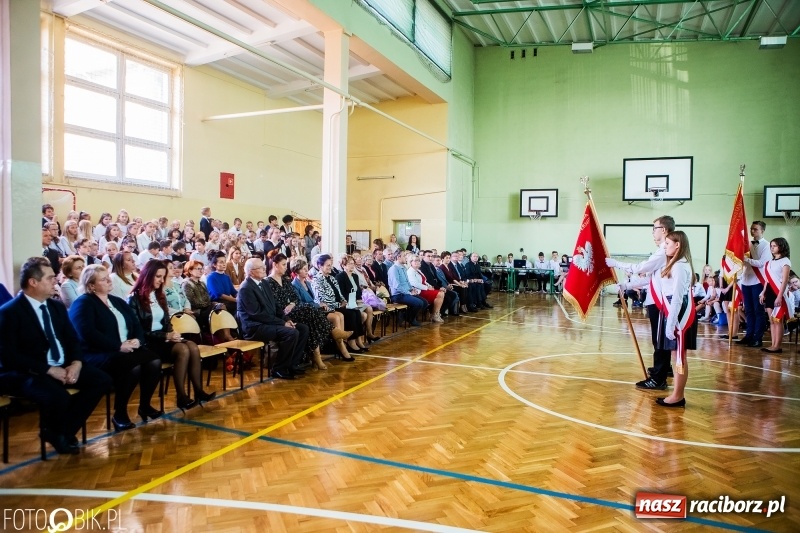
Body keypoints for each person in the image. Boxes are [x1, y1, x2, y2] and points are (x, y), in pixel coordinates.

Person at [0, 257, 112, 454]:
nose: (56, 281)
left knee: (101, 380)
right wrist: (49, 370)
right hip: (29, 372)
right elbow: (9, 357)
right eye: (51, 278)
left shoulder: (56, 306)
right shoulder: (9, 312)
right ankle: (61, 434)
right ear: (33, 282)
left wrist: (76, 363)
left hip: (63, 364)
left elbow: (72, 340)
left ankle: (59, 431)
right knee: (59, 396)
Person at [69, 265, 163, 430]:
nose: (108, 281)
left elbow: (135, 324)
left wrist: (138, 340)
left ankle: (145, 405)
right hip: (99, 352)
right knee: (132, 367)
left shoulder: (117, 301)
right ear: (91, 285)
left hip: (125, 349)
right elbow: (87, 333)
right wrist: (118, 346)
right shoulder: (83, 303)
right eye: (103, 279)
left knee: (154, 361)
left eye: (108, 277)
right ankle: (120, 413)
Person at [127, 261, 215, 411]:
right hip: (148, 342)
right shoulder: (134, 299)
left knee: (193, 347)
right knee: (183, 349)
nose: (162, 280)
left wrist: (172, 332)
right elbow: (138, 330)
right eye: (158, 276)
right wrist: (165, 335)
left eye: (163, 276)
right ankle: (181, 396)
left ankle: (199, 391)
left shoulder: (158, 295)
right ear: (147, 276)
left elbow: (167, 320)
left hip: (164, 337)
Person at [606, 215, 676, 390]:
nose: (653, 232)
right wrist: (626, 284)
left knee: (659, 340)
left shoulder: (663, 251)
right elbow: (650, 279)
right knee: (658, 340)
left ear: (664, 230)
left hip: (660, 303)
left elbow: (641, 268)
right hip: (655, 300)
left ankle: (658, 379)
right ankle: (664, 369)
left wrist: (616, 263)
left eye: (655, 228)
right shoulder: (663, 250)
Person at [237, 258, 309, 379]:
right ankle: (278, 369)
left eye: (263, 266)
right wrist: (282, 323)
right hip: (255, 327)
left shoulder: (264, 283)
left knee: (303, 329)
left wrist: (286, 319)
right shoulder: (246, 288)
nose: (264, 268)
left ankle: (292, 364)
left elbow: (275, 305)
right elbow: (257, 314)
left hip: (268, 322)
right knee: (291, 333)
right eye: (260, 268)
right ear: (251, 272)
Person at [650, 231, 696, 408]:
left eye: (667, 243)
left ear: (678, 245)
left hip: (678, 313)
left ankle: (678, 395)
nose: (664, 246)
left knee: (679, 356)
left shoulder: (679, 266)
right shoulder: (675, 263)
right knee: (676, 354)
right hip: (672, 310)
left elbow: (677, 297)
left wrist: (670, 323)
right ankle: (677, 393)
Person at [267, 252, 335, 370]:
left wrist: (292, 304)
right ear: (275, 265)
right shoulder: (268, 282)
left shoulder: (285, 280)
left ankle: (296, 362)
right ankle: (332, 331)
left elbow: (295, 298)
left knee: (309, 325)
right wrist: (287, 307)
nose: (285, 267)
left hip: (293, 310)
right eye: (283, 264)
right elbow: (273, 302)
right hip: (281, 314)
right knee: (309, 308)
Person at [290, 258, 354, 361]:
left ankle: (341, 343)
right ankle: (341, 345)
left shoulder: (308, 283)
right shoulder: (294, 285)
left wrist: (320, 304)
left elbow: (315, 299)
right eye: (304, 269)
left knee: (340, 315)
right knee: (336, 317)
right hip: (307, 313)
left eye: (307, 268)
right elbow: (299, 304)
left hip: (316, 309)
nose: (307, 271)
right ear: (297, 271)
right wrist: (318, 305)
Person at [312, 255, 368, 352]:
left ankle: (357, 340)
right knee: (351, 314)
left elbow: (340, 294)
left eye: (331, 265)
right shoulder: (317, 280)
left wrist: (344, 301)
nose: (330, 267)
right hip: (329, 308)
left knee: (357, 313)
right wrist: (339, 305)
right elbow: (322, 299)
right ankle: (350, 342)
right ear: (320, 266)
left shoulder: (332, 278)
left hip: (339, 305)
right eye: (327, 265)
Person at [751, 238, 791, 353]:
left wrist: (779, 296)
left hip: (779, 292)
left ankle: (777, 346)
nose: (772, 248)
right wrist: (763, 292)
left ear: (782, 247)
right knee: (772, 320)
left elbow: (784, 280)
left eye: (775, 246)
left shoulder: (785, 261)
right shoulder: (770, 262)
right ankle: (773, 344)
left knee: (778, 320)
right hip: (769, 291)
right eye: (771, 246)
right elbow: (767, 280)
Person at [738, 221, 771, 347]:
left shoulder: (767, 245)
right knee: (749, 310)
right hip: (746, 280)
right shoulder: (746, 245)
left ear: (762, 230)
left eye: (755, 229)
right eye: (751, 229)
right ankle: (749, 335)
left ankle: (758, 337)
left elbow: (762, 263)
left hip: (758, 281)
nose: (752, 232)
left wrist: (745, 259)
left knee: (758, 310)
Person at [387, 251, 428, 327]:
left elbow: (407, 282)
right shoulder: (393, 269)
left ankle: (405, 316)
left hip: (406, 292)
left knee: (425, 302)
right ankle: (411, 319)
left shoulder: (403, 267)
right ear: (398, 257)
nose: (406, 258)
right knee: (419, 303)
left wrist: (412, 289)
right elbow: (397, 286)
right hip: (398, 295)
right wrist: (409, 292)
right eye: (404, 256)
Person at [407, 253, 446, 323]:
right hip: (418, 291)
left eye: (418, 260)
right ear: (410, 262)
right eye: (415, 261)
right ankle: (435, 315)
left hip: (423, 289)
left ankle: (435, 314)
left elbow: (424, 281)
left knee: (441, 293)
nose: (417, 262)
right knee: (440, 294)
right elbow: (415, 283)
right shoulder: (410, 271)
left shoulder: (418, 270)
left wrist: (429, 286)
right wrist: (427, 288)